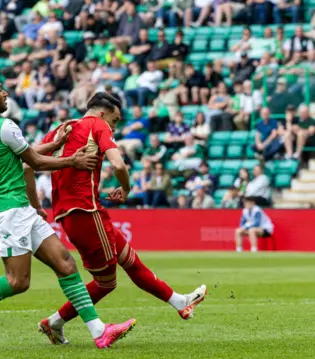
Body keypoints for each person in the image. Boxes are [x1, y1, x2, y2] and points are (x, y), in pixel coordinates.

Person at [0, 76, 135, 350]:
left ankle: (99, 332)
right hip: (8, 209)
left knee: (65, 263)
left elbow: (19, 155)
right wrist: (72, 160)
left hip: (16, 206)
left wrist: (53, 146)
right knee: (18, 282)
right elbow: (35, 161)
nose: (5, 94)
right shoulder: (5, 125)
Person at [31, 92, 206, 345]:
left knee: (131, 261)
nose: (114, 127)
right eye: (115, 120)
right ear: (102, 113)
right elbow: (120, 165)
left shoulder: (63, 128)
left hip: (74, 211)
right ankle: (54, 322)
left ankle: (180, 302)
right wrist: (126, 188)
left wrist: (53, 181)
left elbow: (30, 160)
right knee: (105, 283)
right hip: (85, 211)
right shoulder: (98, 125)